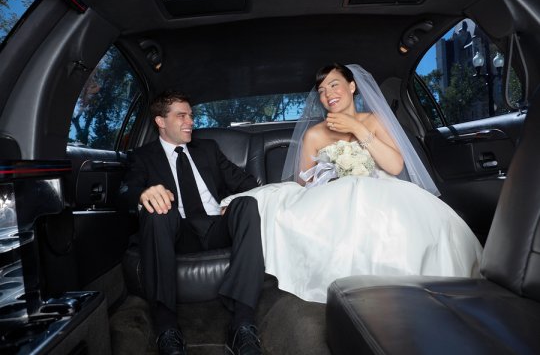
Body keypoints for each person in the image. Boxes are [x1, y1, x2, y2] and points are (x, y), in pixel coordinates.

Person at [220, 63, 483, 303]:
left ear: (352, 87)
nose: (327, 94)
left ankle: (405, 294)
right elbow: (303, 186)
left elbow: (394, 166)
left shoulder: (374, 121)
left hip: (381, 194)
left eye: (334, 85)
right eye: (322, 91)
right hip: (333, 201)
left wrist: (358, 129)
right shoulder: (314, 134)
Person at [119, 91, 264, 355]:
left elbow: (246, 185)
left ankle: (242, 324)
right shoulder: (143, 156)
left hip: (216, 224)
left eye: (191, 116)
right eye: (181, 116)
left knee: (247, 204)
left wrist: (229, 201)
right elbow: (125, 190)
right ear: (160, 121)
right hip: (176, 231)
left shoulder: (207, 149)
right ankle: (166, 328)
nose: (190, 122)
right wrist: (143, 194)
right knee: (157, 211)